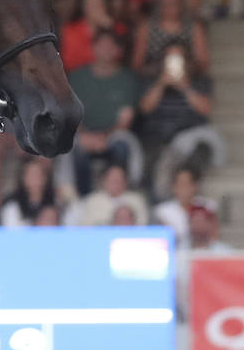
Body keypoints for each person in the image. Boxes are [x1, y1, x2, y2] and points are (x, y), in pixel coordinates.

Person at [136, 40, 222, 198]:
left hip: (190, 134)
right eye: (170, 58)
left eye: (179, 58)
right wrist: (161, 84)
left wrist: (185, 86)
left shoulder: (201, 81)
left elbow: (205, 109)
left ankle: (190, 195)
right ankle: (157, 202)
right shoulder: (150, 80)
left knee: (203, 150)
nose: (174, 62)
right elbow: (145, 108)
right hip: (157, 136)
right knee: (150, 157)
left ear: (187, 61)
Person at [62, 29, 142, 196]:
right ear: (93, 48)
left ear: (118, 50)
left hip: (113, 135)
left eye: (110, 46)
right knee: (66, 144)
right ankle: (73, 196)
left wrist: (103, 138)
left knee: (127, 142)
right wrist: (86, 136)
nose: (105, 50)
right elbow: (70, 115)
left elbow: (125, 120)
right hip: (82, 134)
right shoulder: (77, 77)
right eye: (101, 45)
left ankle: (128, 191)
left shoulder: (127, 79)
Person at [131, 0, 210, 80]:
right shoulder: (146, 27)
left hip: (188, 78)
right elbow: (137, 64)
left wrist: (184, 70)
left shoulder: (194, 27)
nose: (168, 6)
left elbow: (203, 62)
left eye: (173, 1)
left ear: (181, 3)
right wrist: (159, 72)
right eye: (165, 2)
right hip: (154, 79)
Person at [152, 166, 220, 246]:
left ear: (194, 186)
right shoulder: (163, 211)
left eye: (187, 184)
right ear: (174, 187)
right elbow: (163, 240)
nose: (184, 189)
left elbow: (215, 235)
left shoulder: (208, 206)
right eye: (180, 184)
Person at [68, 162, 149, 226]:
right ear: (104, 181)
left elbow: (142, 225)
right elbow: (86, 227)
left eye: (119, 180)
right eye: (113, 180)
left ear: (125, 181)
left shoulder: (136, 200)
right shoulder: (93, 201)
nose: (116, 183)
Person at [0, 158, 57, 228]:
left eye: (38, 175)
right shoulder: (12, 207)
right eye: (31, 175)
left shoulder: (56, 202)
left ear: (45, 178)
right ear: (23, 178)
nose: (35, 179)